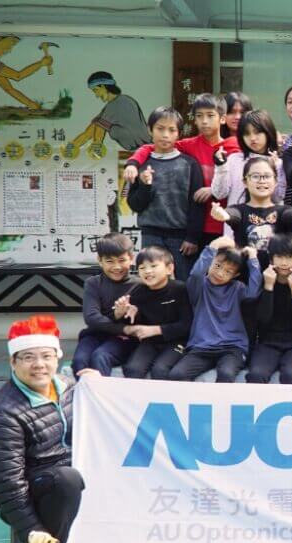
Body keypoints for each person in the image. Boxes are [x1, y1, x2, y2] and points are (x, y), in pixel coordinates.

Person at [0, 316, 86, 543]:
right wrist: (36, 534)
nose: (39, 364)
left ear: (57, 358)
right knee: (66, 479)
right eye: (28, 357)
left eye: (46, 356)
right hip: (30, 491)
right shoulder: (3, 413)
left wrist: (97, 383)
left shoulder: (69, 387)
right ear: (13, 362)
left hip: (65, 483)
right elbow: (6, 487)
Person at [125, 93, 239, 247]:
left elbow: (243, 181)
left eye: (210, 115)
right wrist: (133, 163)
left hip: (225, 223)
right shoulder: (189, 145)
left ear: (222, 118)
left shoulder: (235, 146)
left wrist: (213, 190)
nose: (204, 121)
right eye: (199, 116)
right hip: (194, 226)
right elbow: (153, 147)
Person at [126, 106, 205, 280]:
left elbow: (197, 204)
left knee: (183, 283)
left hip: (181, 236)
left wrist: (192, 237)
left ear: (179, 134)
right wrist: (145, 185)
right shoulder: (141, 163)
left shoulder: (190, 164)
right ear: (150, 130)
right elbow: (135, 205)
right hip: (151, 234)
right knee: (152, 281)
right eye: (160, 129)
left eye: (171, 130)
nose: (165, 135)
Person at [166, 237, 261, 382]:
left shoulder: (237, 288)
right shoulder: (199, 286)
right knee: (177, 375)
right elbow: (196, 274)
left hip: (232, 347)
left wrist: (253, 260)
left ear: (235, 275)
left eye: (228, 271)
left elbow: (253, 292)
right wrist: (213, 246)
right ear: (210, 262)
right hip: (201, 347)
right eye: (217, 266)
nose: (220, 273)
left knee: (226, 374)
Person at [210, 156, 292, 256]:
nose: (262, 181)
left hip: (275, 266)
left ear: (275, 181)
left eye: (267, 176)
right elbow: (233, 214)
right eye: (255, 176)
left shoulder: (283, 211)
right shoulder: (239, 210)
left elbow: (290, 214)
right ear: (245, 182)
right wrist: (224, 214)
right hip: (246, 266)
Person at [211, 110, 289, 237]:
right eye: (247, 134)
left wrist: (277, 169)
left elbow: (278, 197)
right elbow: (219, 193)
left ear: (268, 132)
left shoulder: (277, 162)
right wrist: (220, 167)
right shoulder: (234, 160)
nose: (252, 138)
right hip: (235, 232)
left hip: (267, 233)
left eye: (257, 132)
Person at [117, 246, 191, 380]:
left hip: (177, 341)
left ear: (169, 268)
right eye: (142, 268)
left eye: (153, 266)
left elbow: (187, 325)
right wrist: (126, 313)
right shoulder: (137, 291)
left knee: (160, 369)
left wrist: (157, 330)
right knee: (133, 369)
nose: (147, 271)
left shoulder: (180, 289)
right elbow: (132, 324)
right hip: (150, 342)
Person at [247, 232, 292, 384]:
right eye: (279, 257)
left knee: (291, 374)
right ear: (271, 259)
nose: (284, 263)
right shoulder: (264, 280)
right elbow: (263, 319)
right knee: (256, 374)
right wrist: (269, 287)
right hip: (268, 342)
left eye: (290, 257)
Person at [72, 233, 137, 376]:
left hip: (124, 340)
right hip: (95, 335)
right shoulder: (93, 283)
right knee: (79, 360)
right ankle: (84, 390)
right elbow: (91, 318)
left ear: (131, 258)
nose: (117, 267)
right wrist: (117, 318)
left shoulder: (139, 285)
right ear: (100, 261)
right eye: (109, 261)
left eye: (122, 260)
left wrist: (126, 323)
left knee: (100, 356)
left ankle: (101, 391)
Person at [71, 71, 150, 151]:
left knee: (106, 127)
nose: (97, 95)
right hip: (141, 147)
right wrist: (72, 146)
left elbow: (99, 131)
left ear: (103, 86)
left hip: (143, 147)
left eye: (96, 90)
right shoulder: (111, 106)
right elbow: (88, 133)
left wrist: (96, 147)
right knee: (101, 124)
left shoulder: (118, 103)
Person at [0, 35, 53, 109]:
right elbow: (17, 76)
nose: (10, 50)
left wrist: (31, 104)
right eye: (12, 42)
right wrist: (41, 63)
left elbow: (9, 89)